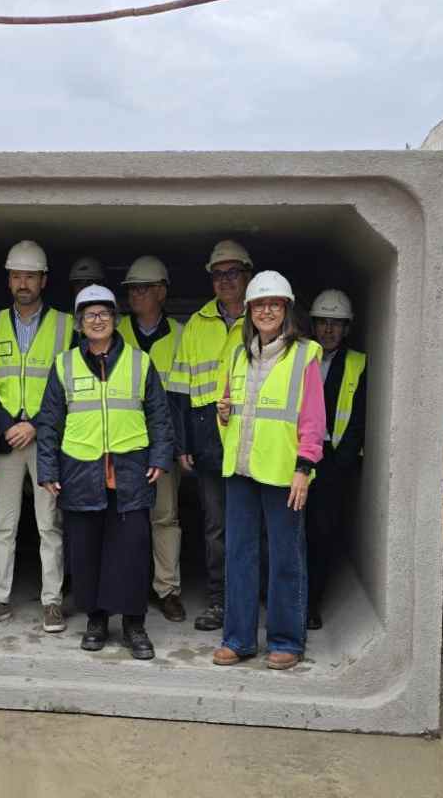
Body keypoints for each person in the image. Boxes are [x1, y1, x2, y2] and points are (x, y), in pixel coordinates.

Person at [36, 286, 174, 659]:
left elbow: (159, 416)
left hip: (130, 474)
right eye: (89, 315)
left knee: (130, 552)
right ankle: (96, 620)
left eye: (104, 314)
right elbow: (49, 422)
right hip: (81, 473)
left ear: (115, 320)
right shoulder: (64, 365)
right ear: (80, 323)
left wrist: (161, 457)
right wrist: (47, 468)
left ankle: (134, 624)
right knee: (86, 553)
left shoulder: (139, 361)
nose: (97, 320)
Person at [213, 271, 325, 671]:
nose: (266, 311)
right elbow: (230, 413)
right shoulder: (237, 355)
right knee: (239, 556)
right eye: (259, 305)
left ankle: (286, 640)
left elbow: (313, 419)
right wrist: (223, 413)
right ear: (249, 312)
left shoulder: (305, 354)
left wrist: (304, 467)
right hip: (240, 470)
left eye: (274, 304)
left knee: (285, 558)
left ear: (286, 310)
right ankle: (239, 639)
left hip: (284, 474)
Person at [0, 240, 75, 634]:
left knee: (49, 523)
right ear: (8, 279)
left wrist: (34, 423)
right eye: (16, 275)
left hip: (46, 436)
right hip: (6, 439)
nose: (22, 283)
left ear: (44, 280)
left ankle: (52, 602)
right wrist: (5, 426)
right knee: (4, 523)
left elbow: (69, 384)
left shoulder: (66, 325)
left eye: (30, 276)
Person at [169, 239, 252, 631]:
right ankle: (220, 601)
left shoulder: (264, 318)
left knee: (252, 524)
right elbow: (182, 390)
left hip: (254, 435)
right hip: (207, 437)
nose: (225, 280)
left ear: (247, 275)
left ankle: (248, 598)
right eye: (218, 274)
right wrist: (183, 443)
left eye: (233, 273)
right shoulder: (196, 325)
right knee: (215, 526)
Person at [117, 255, 186, 622]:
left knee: (164, 517)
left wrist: (178, 446)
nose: (135, 295)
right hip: (121, 444)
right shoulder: (114, 333)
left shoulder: (180, 335)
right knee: (122, 519)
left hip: (162, 444)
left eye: (142, 288)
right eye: (130, 289)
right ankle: (126, 586)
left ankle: (167, 588)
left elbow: (185, 395)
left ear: (161, 291)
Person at [305, 289, 366, 631]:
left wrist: (341, 462)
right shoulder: (300, 357)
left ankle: (313, 603)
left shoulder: (358, 363)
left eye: (336, 324)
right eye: (323, 322)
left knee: (322, 532)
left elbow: (359, 418)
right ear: (313, 325)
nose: (328, 330)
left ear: (347, 328)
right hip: (298, 454)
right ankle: (288, 596)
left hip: (332, 459)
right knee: (291, 530)